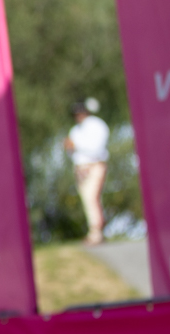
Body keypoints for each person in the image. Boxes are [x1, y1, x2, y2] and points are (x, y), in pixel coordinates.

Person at [64, 98, 110, 246]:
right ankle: (96, 230)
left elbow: (96, 148)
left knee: (91, 197)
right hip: (80, 169)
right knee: (87, 199)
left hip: (95, 165)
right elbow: (72, 152)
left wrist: (76, 145)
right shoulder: (75, 130)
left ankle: (96, 231)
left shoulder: (97, 125)